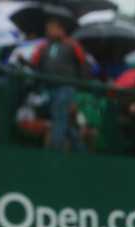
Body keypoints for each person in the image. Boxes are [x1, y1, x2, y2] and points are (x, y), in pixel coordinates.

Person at [30, 17, 90, 151]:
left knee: (59, 118)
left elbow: (84, 66)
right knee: (63, 120)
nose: (49, 32)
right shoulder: (43, 46)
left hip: (66, 87)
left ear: (61, 29)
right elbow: (35, 64)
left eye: (52, 28)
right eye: (47, 29)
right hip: (48, 88)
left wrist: (79, 89)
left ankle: (55, 152)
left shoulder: (72, 45)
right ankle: (81, 151)